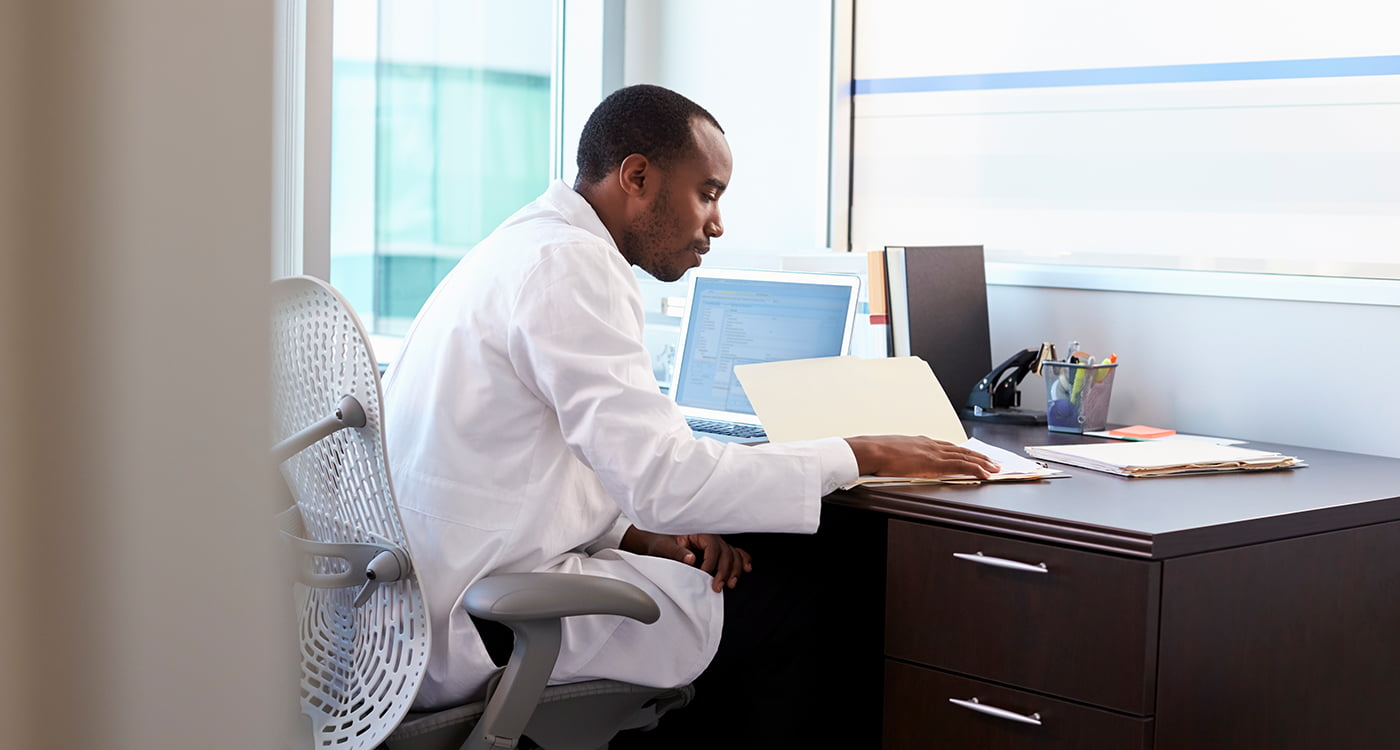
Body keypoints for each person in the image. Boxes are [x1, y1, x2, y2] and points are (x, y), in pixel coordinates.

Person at [382, 84, 998, 744]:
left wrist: (635, 534)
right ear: (638, 177)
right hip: (482, 619)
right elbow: (667, 482)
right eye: (707, 192)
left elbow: (527, 460)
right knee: (805, 600)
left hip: (424, 604)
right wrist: (861, 453)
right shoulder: (572, 265)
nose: (717, 223)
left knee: (750, 586)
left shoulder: (523, 246)